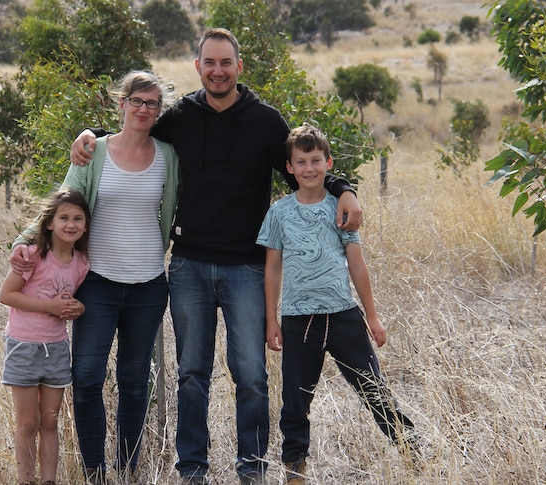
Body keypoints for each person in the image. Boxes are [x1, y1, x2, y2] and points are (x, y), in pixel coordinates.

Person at [69, 28, 364, 485]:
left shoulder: (265, 121)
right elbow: (135, 133)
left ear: (239, 67)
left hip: (247, 266)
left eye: (226, 63)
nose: (218, 71)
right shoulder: (181, 116)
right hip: (188, 266)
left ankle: (252, 469)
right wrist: (92, 135)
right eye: (210, 62)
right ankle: (192, 470)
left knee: (250, 375)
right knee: (192, 375)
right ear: (198, 66)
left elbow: (303, 169)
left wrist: (343, 189)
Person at [11, 71, 179, 485]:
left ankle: (127, 469)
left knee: (135, 380)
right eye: (136, 101)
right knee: (87, 379)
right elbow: (62, 203)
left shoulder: (169, 155)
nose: (143, 109)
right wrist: (25, 240)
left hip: (148, 285)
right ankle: (94, 472)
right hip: (97, 284)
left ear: (160, 110)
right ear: (120, 103)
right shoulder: (93, 151)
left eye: (151, 103)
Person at [256, 125, 418, 484]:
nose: (309, 168)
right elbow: (271, 269)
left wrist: (372, 317)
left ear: (328, 163)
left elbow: (357, 264)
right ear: (290, 167)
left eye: (316, 160)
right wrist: (272, 320)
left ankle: (414, 452)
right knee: (295, 401)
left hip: (343, 316)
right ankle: (294, 469)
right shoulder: (279, 213)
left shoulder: (341, 208)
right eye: (301, 161)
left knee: (374, 391)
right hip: (299, 320)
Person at [0, 189, 91, 485]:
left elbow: (68, 300)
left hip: (57, 349)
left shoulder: (81, 263)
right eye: (63, 217)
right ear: (49, 222)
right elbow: (7, 295)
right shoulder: (33, 255)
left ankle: (49, 481)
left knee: (50, 421)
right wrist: (49, 307)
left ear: (86, 226)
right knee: (28, 422)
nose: (71, 224)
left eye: (78, 218)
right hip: (24, 346)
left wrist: (77, 308)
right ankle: (26, 480)